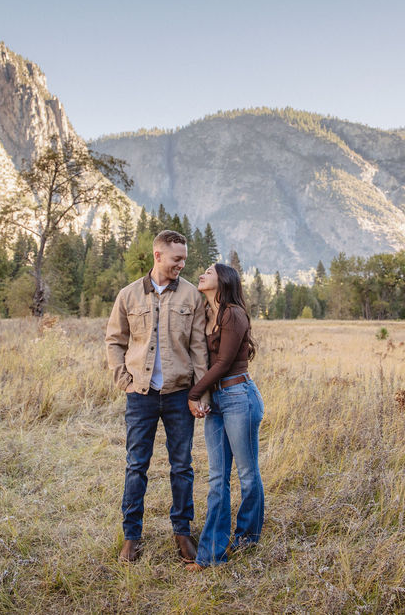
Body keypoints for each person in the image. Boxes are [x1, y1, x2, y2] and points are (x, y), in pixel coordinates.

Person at [106, 230, 209, 564]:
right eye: (177, 259)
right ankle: (131, 537)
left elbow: (198, 349)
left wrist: (199, 392)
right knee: (136, 465)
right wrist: (123, 379)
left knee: (182, 467)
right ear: (158, 256)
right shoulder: (129, 295)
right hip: (141, 395)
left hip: (180, 395)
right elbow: (114, 340)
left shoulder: (192, 296)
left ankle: (182, 533)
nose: (182, 265)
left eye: (184, 259)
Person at [185, 263, 264, 570]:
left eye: (208, 270)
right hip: (217, 401)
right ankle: (212, 555)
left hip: (239, 397)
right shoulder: (206, 314)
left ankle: (246, 539)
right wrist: (204, 395)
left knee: (247, 474)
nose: (201, 274)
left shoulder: (233, 313)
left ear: (223, 280)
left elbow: (222, 364)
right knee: (217, 478)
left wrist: (193, 394)